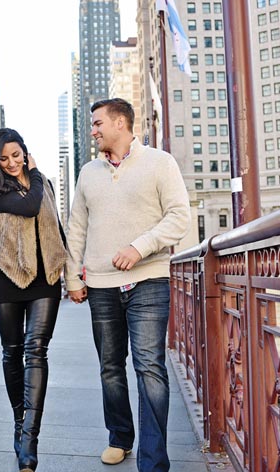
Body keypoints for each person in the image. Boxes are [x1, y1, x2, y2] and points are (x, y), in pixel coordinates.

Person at [65, 98, 191, 471]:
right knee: (110, 366)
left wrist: (140, 247)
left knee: (149, 366)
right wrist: (73, 276)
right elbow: (76, 229)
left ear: (120, 123)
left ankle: (153, 461)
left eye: (98, 123)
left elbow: (179, 216)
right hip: (101, 285)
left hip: (149, 279)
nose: (93, 129)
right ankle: (120, 437)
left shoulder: (160, 163)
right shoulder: (88, 172)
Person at [0, 128, 67, 472]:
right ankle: (19, 422)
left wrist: (70, 271)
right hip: (7, 277)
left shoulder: (41, 180)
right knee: (11, 352)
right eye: (4, 158)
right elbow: (30, 207)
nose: (12, 163)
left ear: (25, 152)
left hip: (46, 277)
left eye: (17, 155)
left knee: (36, 351)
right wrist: (33, 173)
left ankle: (29, 439)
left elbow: (54, 224)